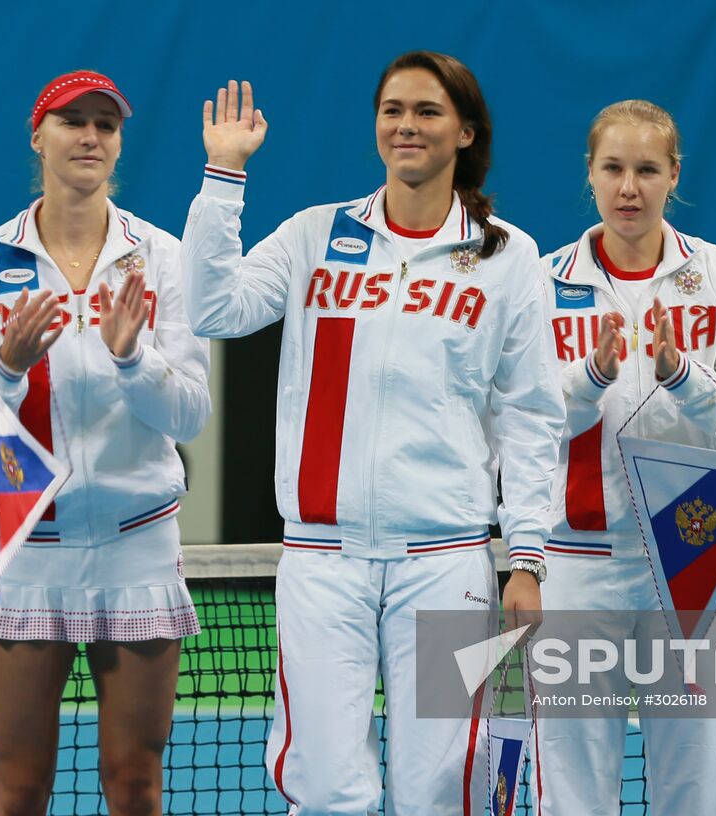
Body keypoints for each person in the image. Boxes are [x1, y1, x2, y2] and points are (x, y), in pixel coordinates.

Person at [182, 52, 564, 814]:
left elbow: (530, 416)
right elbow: (212, 310)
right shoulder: (313, 236)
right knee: (326, 787)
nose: (406, 126)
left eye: (426, 111)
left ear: (465, 131)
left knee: (438, 786)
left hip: (446, 564)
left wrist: (527, 557)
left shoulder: (507, 257)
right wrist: (224, 176)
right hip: (323, 562)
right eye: (392, 110)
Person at [0, 70, 210, 815]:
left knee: (135, 780)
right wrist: (6, 367)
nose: (89, 136)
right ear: (38, 136)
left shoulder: (162, 256)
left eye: (105, 124)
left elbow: (189, 416)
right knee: (21, 785)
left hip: (137, 543)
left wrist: (133, 360)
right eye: (71, 121)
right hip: (28, 545)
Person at [532, 100, 716, 815]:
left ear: (674, 176)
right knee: (571, 789)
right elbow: (527, 422)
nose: (628, 187)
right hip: (578, 565)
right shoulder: (542, 281)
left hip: (695, 559)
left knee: (697, 787)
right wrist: (592, 375)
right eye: (613, 169)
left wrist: (680, 372)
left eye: (646, 170)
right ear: (590, 174)